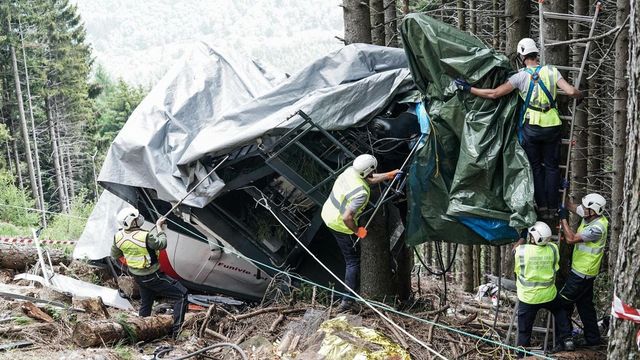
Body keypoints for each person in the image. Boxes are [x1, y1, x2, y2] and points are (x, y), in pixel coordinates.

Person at [455, 38, 583, 219]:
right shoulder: (551, 71)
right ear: (536, 54)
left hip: (532, 128)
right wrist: (580, 94)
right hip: (553, 126)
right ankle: (554, 207)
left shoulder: (519, 77)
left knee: (536, 168)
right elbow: (570, 92)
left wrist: (469, 89)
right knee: (553, 168)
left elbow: (494, 94)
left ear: (522, 57)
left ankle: (543, 207)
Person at [320, 154, 400, 312]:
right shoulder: (361, 193)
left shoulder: (351, 171)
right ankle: (347, 300)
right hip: (338, 223)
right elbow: (346, 217)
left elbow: (367, 178)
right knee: (352, 262)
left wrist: (388, 175)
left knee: (352, 260)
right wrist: (358, 231)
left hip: (328, 212)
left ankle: (349, 297)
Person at [111, 207, 188, 339]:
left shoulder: (118, 236)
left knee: (146, 304)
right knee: (181, 294)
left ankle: (139, 332)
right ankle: (177, 334)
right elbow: (162, 244)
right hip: (153, 275)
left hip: (138, 277)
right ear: (132, 222)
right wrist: (159, 228)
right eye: (136, 218)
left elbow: (115, 254)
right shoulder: (145, 236)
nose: (139, 218)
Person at [514, 221, 575, 357]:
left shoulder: (521, 251)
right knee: (560, 310)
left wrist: (523, 236)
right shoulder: (553, 249)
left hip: (528, 297)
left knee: (524, 328)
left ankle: (522, 353)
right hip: (549, 295)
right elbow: (556, 268)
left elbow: (515, 256)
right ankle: (567, 338)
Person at [557, 193, 609, 347]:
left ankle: (565, 341)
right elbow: (572, 207)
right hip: (585, 273)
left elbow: (571, 239)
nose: (583, 208)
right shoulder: (590, 215)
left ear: (593, 211)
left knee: (561, 304)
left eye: (586, 207)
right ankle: (593, 340)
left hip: (582, 274)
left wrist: (564, 219)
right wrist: (563, 194)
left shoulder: (597, 228)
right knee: (585, 307)